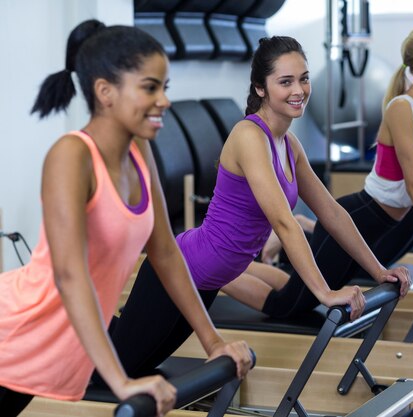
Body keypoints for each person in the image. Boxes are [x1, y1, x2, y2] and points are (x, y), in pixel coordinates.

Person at [105, 35, 410, 383]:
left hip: (204, 284)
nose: (300, 89)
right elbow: (283, 221)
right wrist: (324, 292)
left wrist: (378, 270)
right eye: (286, 81)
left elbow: (333, 213)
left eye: (304, 78)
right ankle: (62, 325)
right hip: (178, 272)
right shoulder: (249, 136)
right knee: (119, 370)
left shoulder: (288, 143)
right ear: (260, 89)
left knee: (139, 365)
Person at [0, 20, 251, 417]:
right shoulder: (71, 156)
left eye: (164, 88)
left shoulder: (139, 154)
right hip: (13, 338)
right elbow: (70, 274)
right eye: (150, 87)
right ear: (105, 92)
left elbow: (167, 253)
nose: (164, 100)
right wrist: (121, 380)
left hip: (47, 356)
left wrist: (214, 343)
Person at [221, 25, 413, 319]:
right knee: (287, 306)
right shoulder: (402, 109)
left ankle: (233, 264)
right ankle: (215, 271)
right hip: (364, 216)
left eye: (303, 79)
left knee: (298, 290)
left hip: (377, 223)